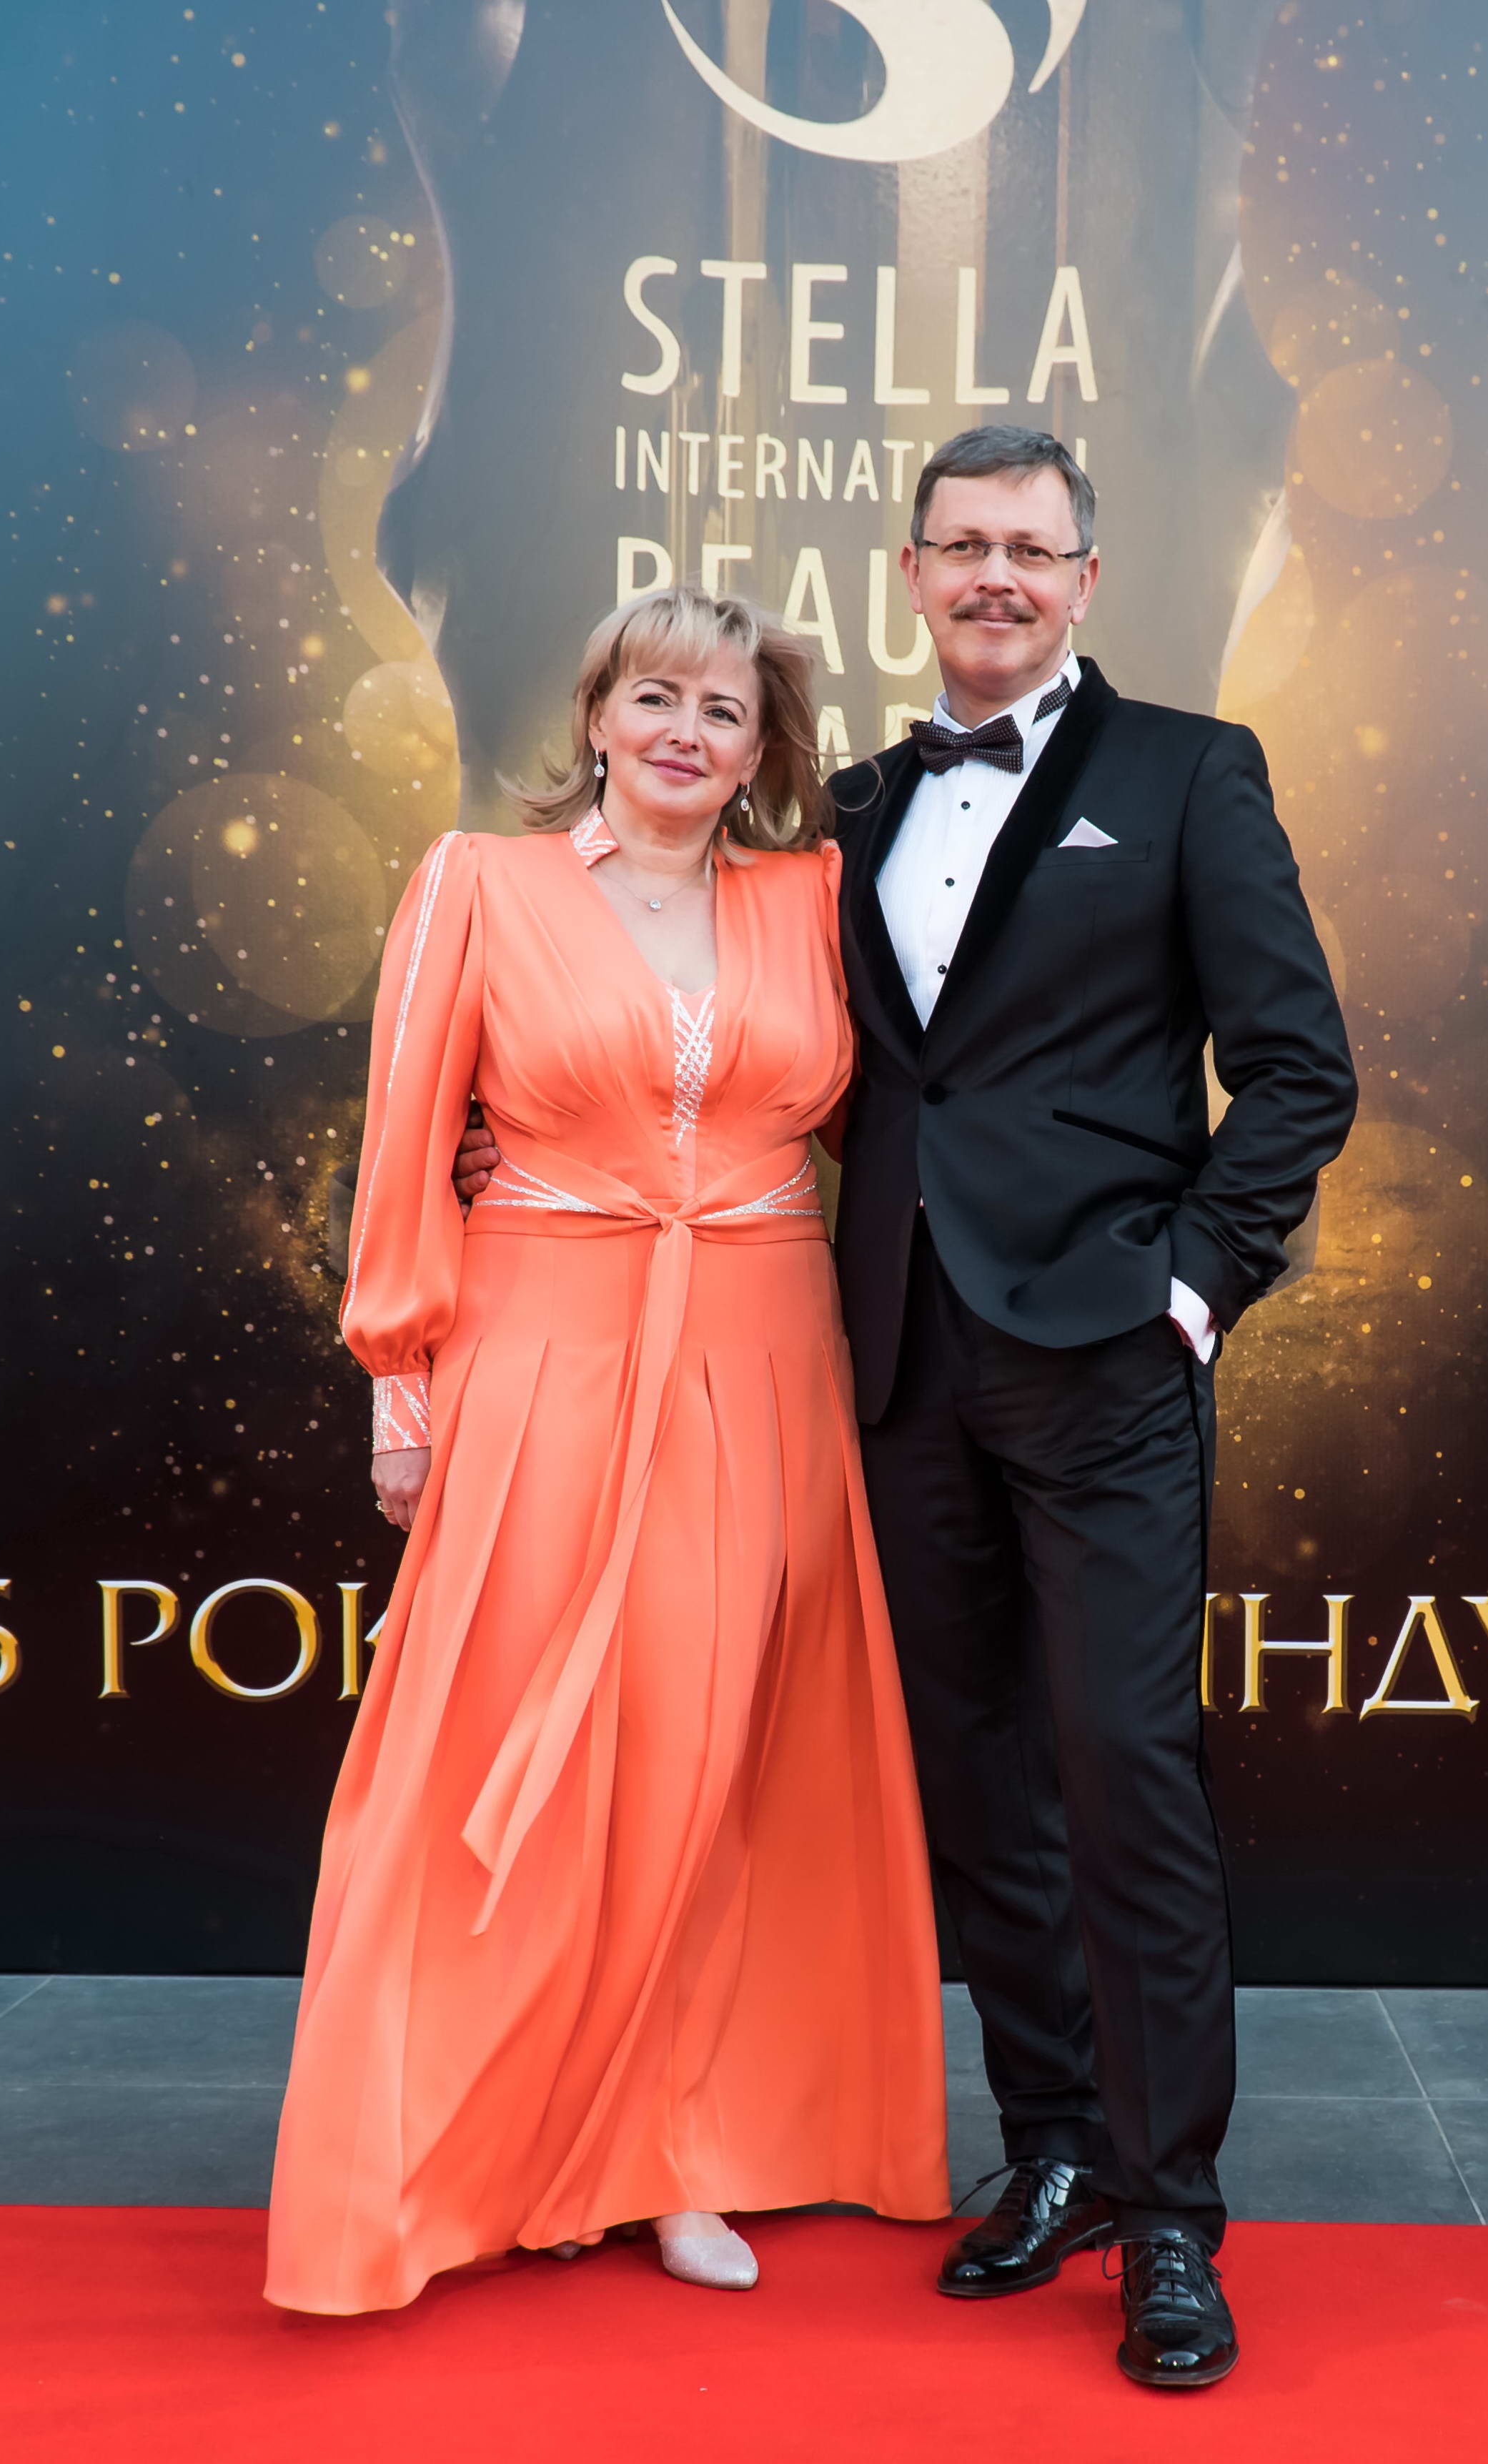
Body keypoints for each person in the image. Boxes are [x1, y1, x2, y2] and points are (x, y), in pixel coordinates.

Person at [460, 428, 1357, 2388]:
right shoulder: (849, 809)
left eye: (1032, 546)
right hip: (884, 1363)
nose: (996, 575)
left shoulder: (1191, 772)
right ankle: (1055, 2147)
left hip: (1108, 1358)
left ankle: (1170, 2218)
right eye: (964, 545)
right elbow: (726, 1041)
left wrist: (1195, 1286)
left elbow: (1299, 1068)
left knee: (1124, 1768)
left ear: (1086, 577)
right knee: (980, 1780)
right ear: (915, 571)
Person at [264, 584, 948, 2315]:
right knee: (510, 1747)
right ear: (594, 716)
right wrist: (402, 1389)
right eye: (655, 696)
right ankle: (478, 2152)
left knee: (715, 1755)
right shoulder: (478, 883)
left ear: (763, 749)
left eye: (724, 710)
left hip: (763, 1353)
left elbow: (897, 1118)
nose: (684, 733)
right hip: (539, 1350)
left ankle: (673, 2143)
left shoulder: (811, 898)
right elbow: (406, 1144)